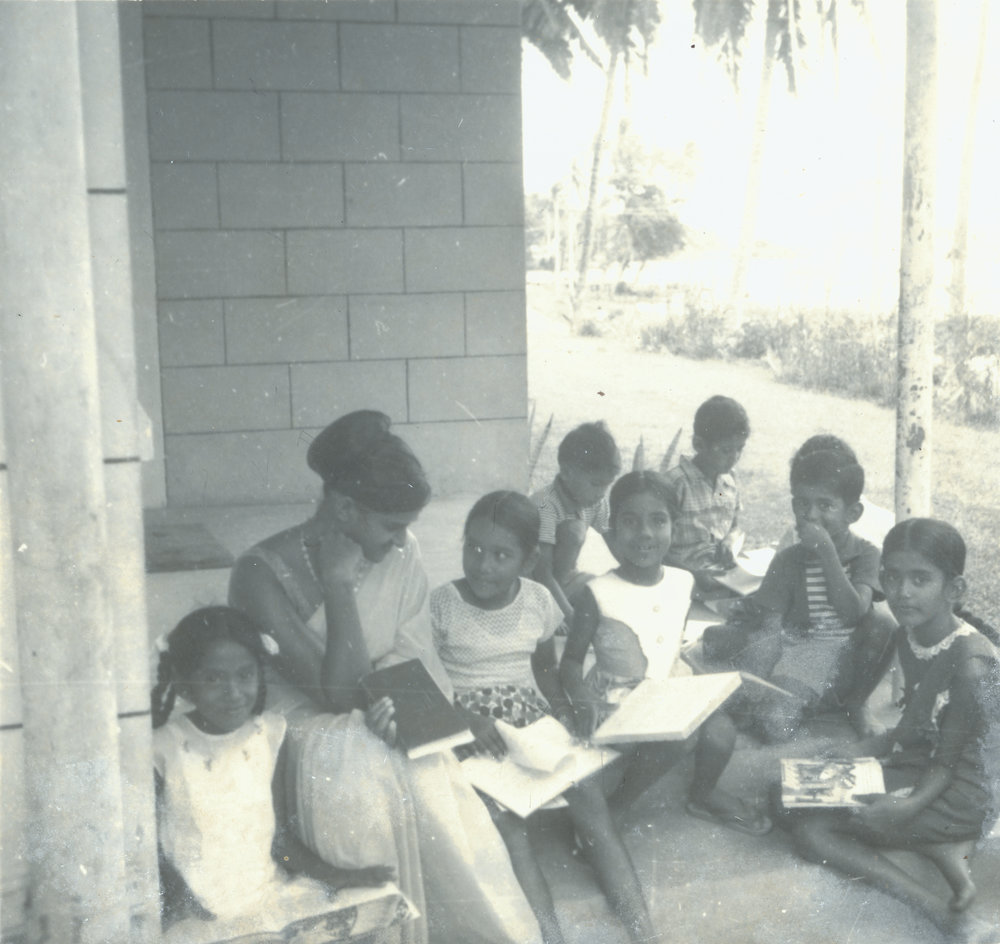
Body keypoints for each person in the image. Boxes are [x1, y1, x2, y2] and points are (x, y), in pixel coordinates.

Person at [228, 410, 543, 944]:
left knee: (421, 766)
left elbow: (410, 652)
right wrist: (337, 586)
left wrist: (405, 709)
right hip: (301, 729)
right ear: (345, 508)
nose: (403, 543)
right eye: (392, 527)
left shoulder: (402, 549)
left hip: (377, 707)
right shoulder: (259, 574)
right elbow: (333, 696)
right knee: (367, 764)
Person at [431, 491, 654, 944]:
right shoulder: (443, 604)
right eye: (473, 548)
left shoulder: (535, 599)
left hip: (529, 718)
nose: (483, 565)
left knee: (591, 803)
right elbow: (427, 679)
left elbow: (543, 667)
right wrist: (461, 720)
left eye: (501, 554)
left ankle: (645, 933)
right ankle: (550, 936)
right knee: (508, 827)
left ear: (530, 559)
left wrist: (566, 712)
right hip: (475, 728)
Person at [780, 519, 1000, 942]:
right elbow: (915, 730)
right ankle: (938, 848)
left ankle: (950, 918)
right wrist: (860, 751)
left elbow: (947, 763)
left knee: (811, 830)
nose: (903, 592)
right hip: (926, 767)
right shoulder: (911, 633)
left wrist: (903, 807)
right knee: (787, 794)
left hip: (964, 792)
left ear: (955, 589)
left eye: (921, 579)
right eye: (893, 576)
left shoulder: (971, 663)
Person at [151, 606, 400, 942]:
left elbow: (280, 840)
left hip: (267, 898)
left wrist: (333, 875)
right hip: (196, 912)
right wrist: (180, 901)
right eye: (213, 679)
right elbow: (149, 851)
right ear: (184, 684)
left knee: (374, 915)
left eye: (244, 675)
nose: (233, 692)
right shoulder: (161, 748)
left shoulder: (269, 734)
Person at [560, 470, 771, 836]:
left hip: (669, 690)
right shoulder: (596, 593)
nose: (644, 534)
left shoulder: (683, 581)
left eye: (658, 521)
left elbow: (670, 644)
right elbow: (571, 662)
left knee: (721, 732)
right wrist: (579, 697)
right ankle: (617, 806)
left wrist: (702, 688)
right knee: (676, 740)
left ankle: (701, 795)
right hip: (617, 701)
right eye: (630, 521)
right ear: (611, 530)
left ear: (674, 526)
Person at [707, 446, 895, 740]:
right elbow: (770, 631)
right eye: (801, 504)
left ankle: (856, 704)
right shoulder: (788, 560)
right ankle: (805, 704)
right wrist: (757, 685)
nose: (810, 515)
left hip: (850, 659)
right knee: (774, 727)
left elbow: (854, 613)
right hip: (804, 658)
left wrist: (826, 553)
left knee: (884, 624)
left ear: (853, 513)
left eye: (825, 505)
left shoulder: (866, 554)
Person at [530, 421, 621, 618]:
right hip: (531, 585)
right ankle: (553, 611)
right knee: (574, 530)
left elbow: (615, 543)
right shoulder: (545, 505)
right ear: (567, 473)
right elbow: (541, 573)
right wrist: (567, 615)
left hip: (564, 581)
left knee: (607, 590)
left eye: (607, 484)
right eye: (596, 484)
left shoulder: (595, 501)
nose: (602, 493)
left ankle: (561, 604)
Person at [661, 396, 749, 586]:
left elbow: (735, 526)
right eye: (726, 450)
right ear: (699, 445)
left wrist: (729, 542)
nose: (735, 457)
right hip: (678, 580)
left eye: (739, 449)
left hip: (719, 578)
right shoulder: (676, 485)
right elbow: (657, 548)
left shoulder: (728, 482)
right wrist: (691, 575)